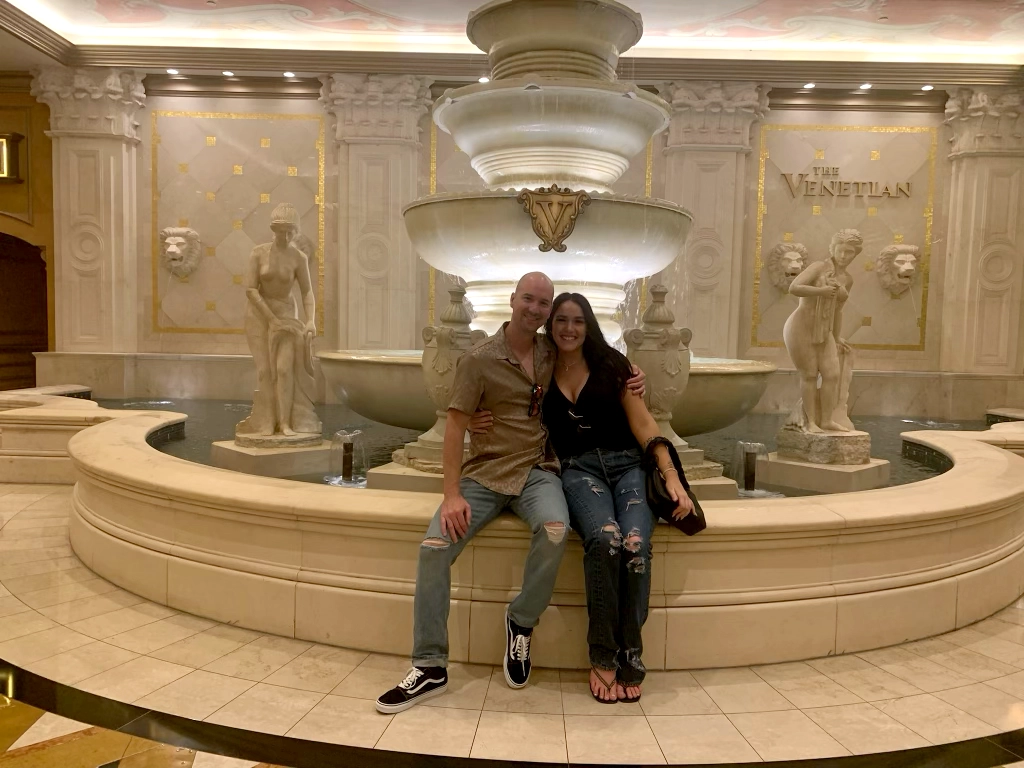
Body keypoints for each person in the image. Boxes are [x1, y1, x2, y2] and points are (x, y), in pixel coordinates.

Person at [376, 273, 644, 714]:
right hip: (484, 473)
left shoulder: (549, 350)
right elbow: (455, 426)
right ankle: (429, 665)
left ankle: (521, 622)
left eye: (544, 303)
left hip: (538, 472)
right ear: (513, 300)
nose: (536, 310)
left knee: (556, 530)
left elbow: (593, 355)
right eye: (529, 300)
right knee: (433, 547)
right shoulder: (478, 360)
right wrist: (450, 495)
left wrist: (634, 372)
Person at [542, 292, 692, 703]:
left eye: (577, 320)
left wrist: (671, 476)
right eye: (561, 320)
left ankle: (632, 653)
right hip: (578, 470)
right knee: (605, 539)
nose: (569, 329)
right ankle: (603, 655)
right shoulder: (538, 366)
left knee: (636, 544)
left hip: (628, 466)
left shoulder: (613, 365)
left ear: (588, 324)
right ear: (550, 325)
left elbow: (644, 423)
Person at [236, 203, 320, 440]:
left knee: (284, 370)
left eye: (290, 231)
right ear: (273, 230)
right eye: (280, 231)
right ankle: (266, 422)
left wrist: (310, 320)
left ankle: (285, 423)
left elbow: (306, 292)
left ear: (296, 231)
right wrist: (271, 319)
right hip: (259, 316)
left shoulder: (298, 258)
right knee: (265, 371)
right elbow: (251, 290)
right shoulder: (258, 253)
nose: (285, 236)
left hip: (286, 316)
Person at [783, 229, 863, 433]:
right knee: (809, 375)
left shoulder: (848, 280)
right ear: (832, 249)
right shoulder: (818, 267)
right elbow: (794, 287)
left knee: (832, 374)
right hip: (800, 326)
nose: (844, 256)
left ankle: (826, 420)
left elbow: (838, 311)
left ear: (856, 254)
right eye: (840, 250)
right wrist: (821, 291)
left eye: (850, 252)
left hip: (824, 330)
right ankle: (810, 423)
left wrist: (836, 338)